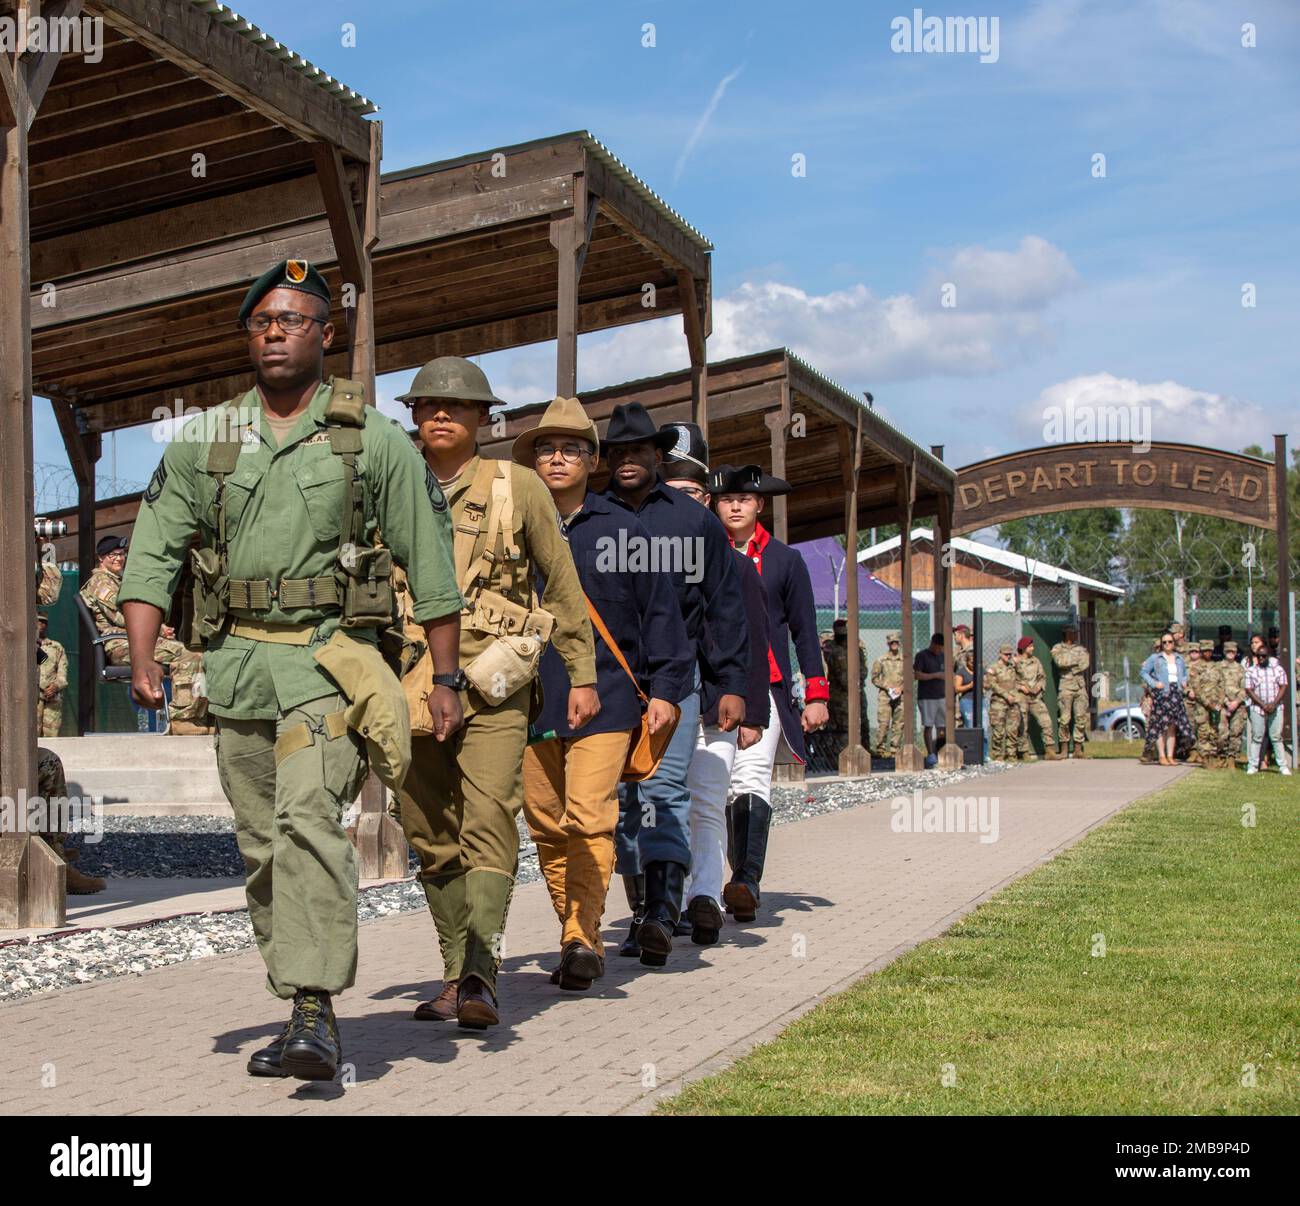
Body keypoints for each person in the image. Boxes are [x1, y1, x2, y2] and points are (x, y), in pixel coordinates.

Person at [120, 259, 465, 1081]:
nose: (274, 333)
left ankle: (315, 1006)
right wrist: (142, 657)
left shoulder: (371, 437)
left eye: (292, 320)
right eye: (261, 322)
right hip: (237, 666)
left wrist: (446, 679)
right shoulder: (209, 437)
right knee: (259, 842)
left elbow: (430, 559)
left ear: (326, 332)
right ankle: (297, 1001)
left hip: (330, 663)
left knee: (309, 817)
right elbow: (152, 550)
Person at [396, 360, 596, 1027]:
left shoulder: (520, 487)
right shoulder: (387, 487)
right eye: (428, 404)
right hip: (408, 685)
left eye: (458, 404)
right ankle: (455, 972)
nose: (442, 414)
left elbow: (561, 584)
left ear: (484, 417)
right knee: (429, 835)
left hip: (495, 684)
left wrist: (583, 675)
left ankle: (482, 970)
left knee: (488, 820)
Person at [514, 398, 691, 990]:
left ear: (592, 462)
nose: (557, 458)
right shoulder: (509, 528)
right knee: (545, 825)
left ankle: (580, 936)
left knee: (589, 816)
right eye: (546, 448)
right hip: (528, 699)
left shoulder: (626, 531)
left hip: (610, 700)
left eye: (570, 449)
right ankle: (574, 926)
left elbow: (662, 615)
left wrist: (666, 689)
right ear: (533, 460)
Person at [603, 404, 749, 967]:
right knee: (621, 802)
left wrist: (731, 683)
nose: (628, 461)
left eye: (638, 451)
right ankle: (640, 916)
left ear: (657, 457)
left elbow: (725, 607)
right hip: (614, 683)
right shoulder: (592, 519)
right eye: (617, 453)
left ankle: (665, 913)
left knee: (664, 792)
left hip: (677, 679)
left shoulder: (694, 523)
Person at [658, 433, 769, 942]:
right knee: (660, 799)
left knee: (705, 797)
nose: (684, 501)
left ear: (707, 500)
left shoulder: (739, 566)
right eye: (672, 489)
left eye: (693, 492)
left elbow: (746, 634)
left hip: (715, 702)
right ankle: (665, 902)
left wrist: (749, 707)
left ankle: (701, 895)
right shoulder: (644, 554)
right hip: (662, 696)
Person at [712, 463, 828, 925]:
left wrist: (816, 692)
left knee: (751, 778)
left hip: (769, 687)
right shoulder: (701, 556)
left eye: (745, 498)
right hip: (715, 686)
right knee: (713, 786)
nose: (735, 504)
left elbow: (804, 630)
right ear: (714, 504)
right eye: (726, 498)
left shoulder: (785, 560)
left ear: (760, 504)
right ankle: (707, 887)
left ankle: (746, 880)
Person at [82, 535, 208, 732]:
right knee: (188, 656)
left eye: (122, 554)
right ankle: (182, 720)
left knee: (196, 654)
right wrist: (158, 628)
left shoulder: (116, 581)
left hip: (134, 640)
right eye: (113, 555)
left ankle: (194, 718)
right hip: (121, 644)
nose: (119, 559)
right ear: (101, 558)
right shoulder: (101, 583)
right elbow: (123, 617)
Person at [1140, 633, 1191, 766]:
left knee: (1172, 727)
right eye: (1165, 642)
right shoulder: (1155, 658)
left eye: (1170, 642)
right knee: (1160, 726)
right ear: (1161, 644)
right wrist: (1154, 683)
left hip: (1176, 693)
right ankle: (1161, 755)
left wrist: (1184, 682)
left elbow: (1185, 674)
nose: (1167, 644)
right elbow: (1144, 672)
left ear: (1174, 643)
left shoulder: (1179, 658)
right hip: (1163, 694)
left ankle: (1170, 756)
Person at [1244, 641, 1290, 774]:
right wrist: (1263, 705)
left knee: (1276, 737)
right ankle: (1252, 765)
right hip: (1257, 708)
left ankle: (1283, 766)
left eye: (1263, 656)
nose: (1260, 658)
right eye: (1258, 656)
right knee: (1257, 736)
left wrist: (1274, 703)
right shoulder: (1251, 670)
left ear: (1268, 656)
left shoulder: (1277, 669)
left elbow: (1283, 686)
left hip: (1276, 707)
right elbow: (1249, 689)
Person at [1014, 635, 1060, 760]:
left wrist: (1039, 687)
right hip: (1021, 697)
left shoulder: (1036, 661)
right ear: (1023, 648)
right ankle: (1023, 752)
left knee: (1046, 722)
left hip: (1035, 697)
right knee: (1023, 724)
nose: (1032, 648)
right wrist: (1020, 687)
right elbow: (1010, 679)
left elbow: (1042, 676)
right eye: (1030, 646)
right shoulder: (1015, 661)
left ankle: (1050, 750)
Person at [1050, 624, 1090, 757]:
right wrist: (1075, 661)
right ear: (1067, 634)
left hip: (1079, 686)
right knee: (1065, 719)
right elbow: (1060, 662)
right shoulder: (1057, 648)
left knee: (1081, 717)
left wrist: (1071, 663)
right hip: (1066, 686)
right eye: (1073, 633)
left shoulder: (1081, 648)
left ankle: (1078, 749)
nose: (1076, 635)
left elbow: (1085, 664)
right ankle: (1064, 749)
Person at [912, 632, 947, 767]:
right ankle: (931, 754)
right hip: (927, 696)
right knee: (928, 725)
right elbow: (917, 675)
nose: (939, 650)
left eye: (941, 648)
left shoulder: (943, 656)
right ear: (933, 644)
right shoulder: (922, 656)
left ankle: (940, 750)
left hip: (941, 696)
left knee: (942, 725)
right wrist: (935, 675)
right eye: (938, 647)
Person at [1192, 639, 1226, 769]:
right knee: (1203, 731)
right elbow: (1196, 688)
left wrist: (1220, 702)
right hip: (1202, 706)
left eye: (1209, 651)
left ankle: (1213, 755)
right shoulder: (1196, 668)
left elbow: (1221, 685)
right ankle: (1204, 757)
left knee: (1215, 730)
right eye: (1205, 651)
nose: (1207, 653)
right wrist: (1208, 703)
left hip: (1216, 704)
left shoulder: (1216, 667)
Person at [983, 643, 1021, 761]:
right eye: (1006, 654)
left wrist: (1017, 664)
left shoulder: (1012, 667)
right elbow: (992, 685)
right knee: (998, 730)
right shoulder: (993, 668)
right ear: (1000, 654)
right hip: (999, 702)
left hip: (1013, 702)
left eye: (1010, 654)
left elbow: (1021, 677)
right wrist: (1006, 695)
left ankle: (1011, 754)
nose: (1008, 657)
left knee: (1013, 729)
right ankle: (998, 754)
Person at [870, 631, 905, 756]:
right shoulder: (881, 660)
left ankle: (895, 749)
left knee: (899, 723)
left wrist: (901, 687)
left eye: (896, 642)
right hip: (885, 696)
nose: (894, 645)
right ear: (888, 644)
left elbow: (911, 676)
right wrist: (887, 686)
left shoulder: (904, 659)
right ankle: (880, 749)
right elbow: (874, 678)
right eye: (892, 643)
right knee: (883, 723)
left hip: (901, 695)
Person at [36, 612, 67, 738]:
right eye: (38, 621)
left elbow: (62, 672)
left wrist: (56, 686)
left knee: (51, 736)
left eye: (44, 622)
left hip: (52, 698)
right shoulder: (23, 645)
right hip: (31, 698)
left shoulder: (56, 647)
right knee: (30, 736)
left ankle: (49, 758)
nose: (41, 624)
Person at [1219, 641, 1247, 767]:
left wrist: (1236, 702)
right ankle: (1222, 756)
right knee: (1222, 732)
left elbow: (1245, 688)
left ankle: (1231, 757)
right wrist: (1225, 701)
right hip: (1223, 704)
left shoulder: (1240, 668)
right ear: (1224, 652)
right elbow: (1216, 686)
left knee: (1236, 731)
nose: (1230, 654)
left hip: (1238, 705)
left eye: (1233, 652)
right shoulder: (1218, 667)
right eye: (1228, 651)